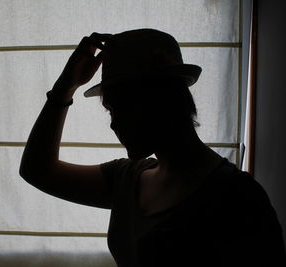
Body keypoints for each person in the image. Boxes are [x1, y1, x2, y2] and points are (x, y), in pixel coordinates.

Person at [20, 29, 286, 266]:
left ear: (161, 100)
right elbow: (37, 170)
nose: (114, 124)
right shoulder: (126, 178)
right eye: (110, 110)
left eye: (121, 108)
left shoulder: (237, 197)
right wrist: (66, 86)